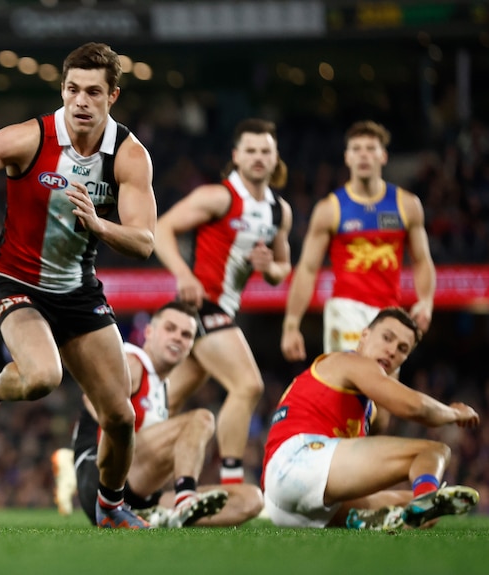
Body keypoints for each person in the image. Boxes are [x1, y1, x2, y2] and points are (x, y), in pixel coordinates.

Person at [0, 42, 157, 529]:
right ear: (62, 90)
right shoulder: (29, 138)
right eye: (72, 90)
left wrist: (101, 227)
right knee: (43, 377)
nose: (80, 101)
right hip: (15, 282)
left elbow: (144, 242)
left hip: (80, 292)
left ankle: (109, 507)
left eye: (93, 92)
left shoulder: (129, 156)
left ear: (113, 96)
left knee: (121, 418)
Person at [153, 118, 293, 485]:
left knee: (163, 402)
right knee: (249, 385)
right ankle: (232, 481)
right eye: (250, 150)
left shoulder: (280, 211)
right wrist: (184, 275)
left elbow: (283, 268)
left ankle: (126, 476)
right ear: (236, 156)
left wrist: (270, 269)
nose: (258, 157)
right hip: (203, 308)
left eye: (265, 150)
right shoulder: (218, 197)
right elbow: (161, 228)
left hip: (225, 310)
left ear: (275, 156)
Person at [263, 307, 479, 530]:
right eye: (387, 338)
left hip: (285, 504)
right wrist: (455, 412)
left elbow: (375, 437)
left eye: (402, 349)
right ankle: (427, 499)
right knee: (434, 452)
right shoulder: (350, 362)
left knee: (409, 504)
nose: (392, 350)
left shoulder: (366, 407)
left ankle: (396, 514)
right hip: (299, 460)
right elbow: (413, 407)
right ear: (364, 335)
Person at [64, 301, 264, 528]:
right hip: (102, 481)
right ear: (149, 332)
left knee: (250, 500)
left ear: (191, 346)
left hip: (139, 494)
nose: (178, 337)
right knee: (201, 419)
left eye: (187, 335)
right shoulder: (133, 362)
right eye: (170, 329)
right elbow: (92, 401)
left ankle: (158, 516)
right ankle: (185, 499)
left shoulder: (163, 388)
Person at [281, 120, 436, 363]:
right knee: (355, 381)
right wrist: (291, 323)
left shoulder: (407, 205)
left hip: (389, 314)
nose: (363, 155)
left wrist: (425, 302)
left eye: (370, 149)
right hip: (346, 310)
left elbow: (422, 260)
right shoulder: (330, 209)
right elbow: (307, 269)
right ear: (347, 157)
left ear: (383, 156)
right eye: (356, 149)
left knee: (383, 394)